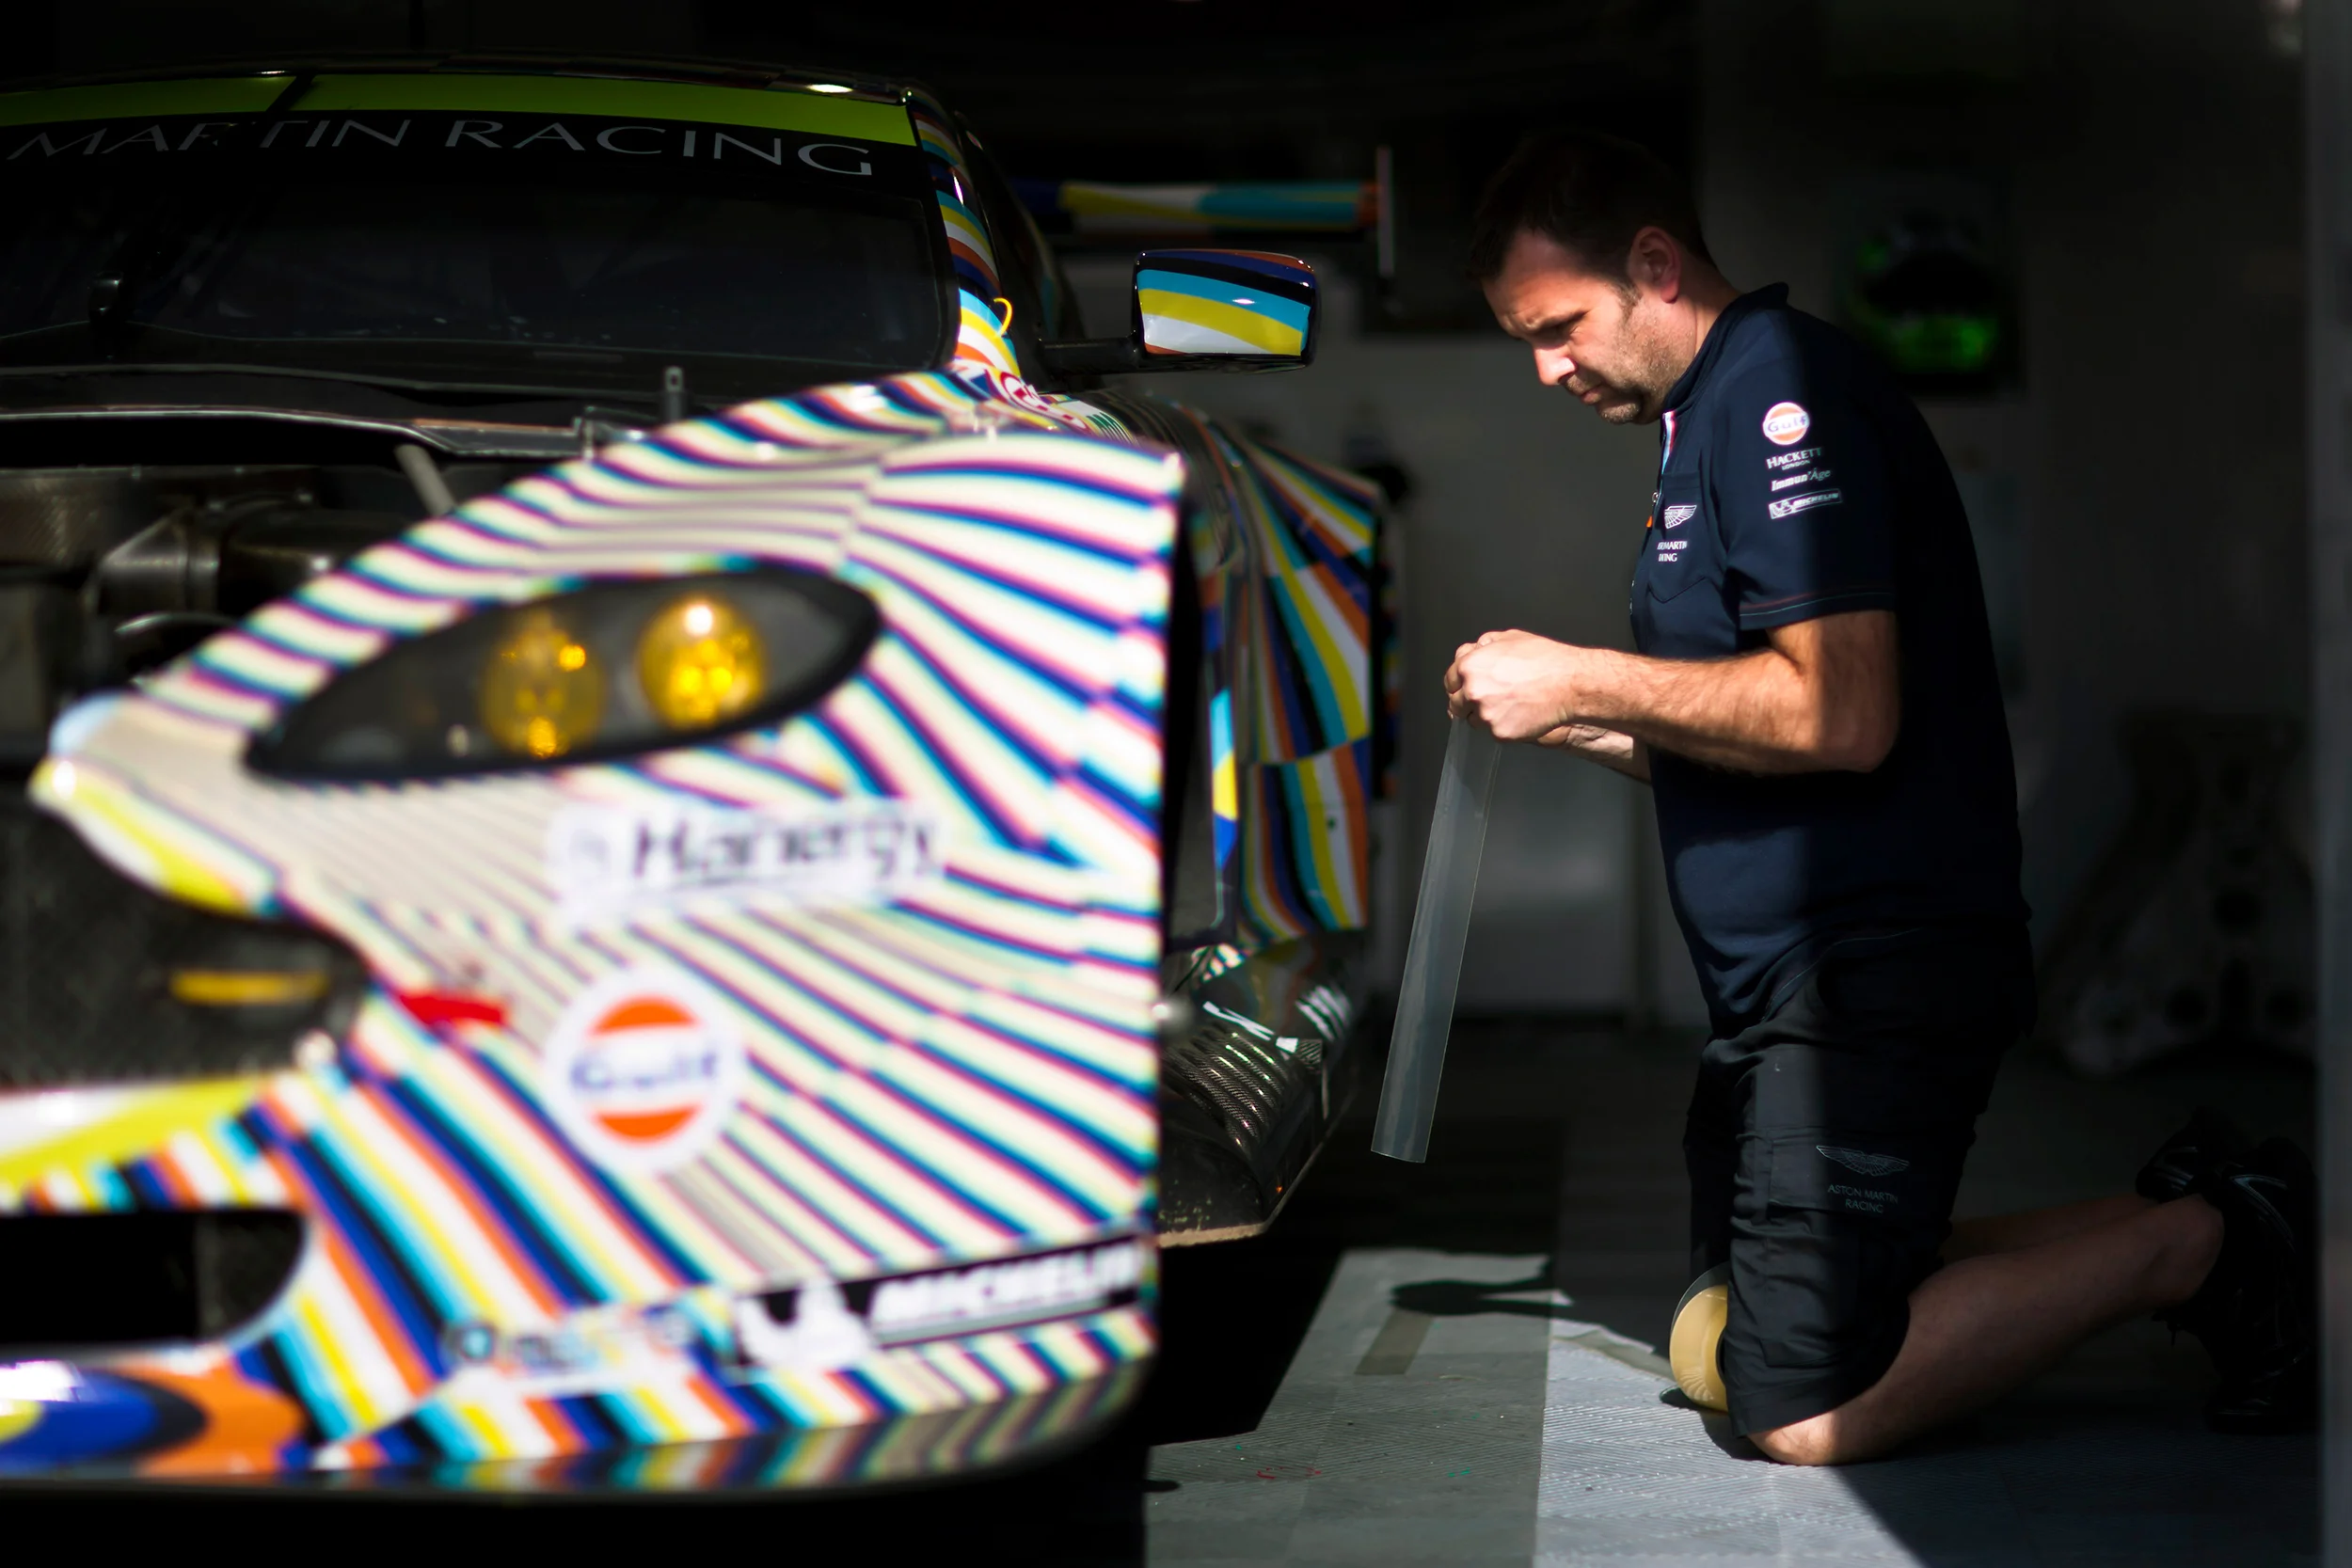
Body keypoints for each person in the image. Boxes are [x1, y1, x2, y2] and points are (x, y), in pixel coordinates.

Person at [1448, 130, 2316, 1464]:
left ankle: (2201, 1246)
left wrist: (1580, 672)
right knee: (1734, 1317)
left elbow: (1837, 716)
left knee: (1800, 1400)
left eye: (1558, 328)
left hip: (1866, 970)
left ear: (1655, 266)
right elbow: (1746, 730)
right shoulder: (1700, 423)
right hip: (1781, 990)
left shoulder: (1782, 398)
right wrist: (1570, 716)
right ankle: (2218, 1207)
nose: (1546, 368)